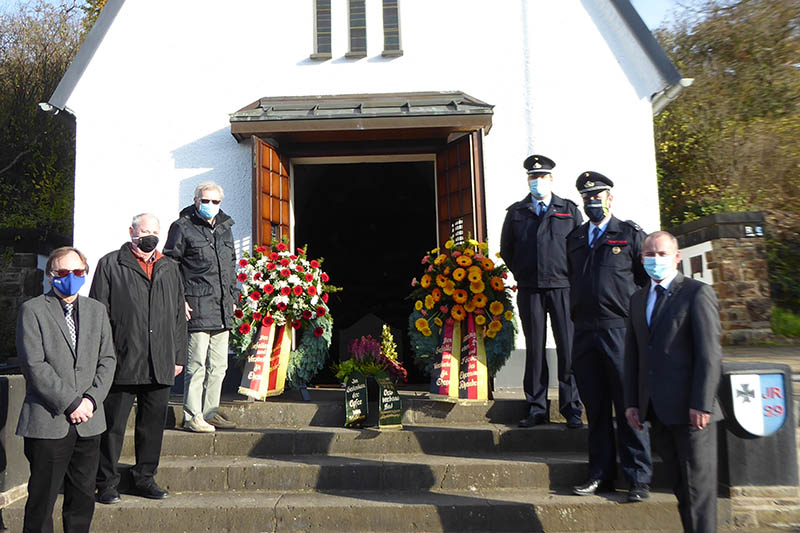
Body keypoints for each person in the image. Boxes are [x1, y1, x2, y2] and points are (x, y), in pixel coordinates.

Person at [625, 231, 722, 532]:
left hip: (692, 412)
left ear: (677, 257)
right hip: (656, 411)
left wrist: (701, 403)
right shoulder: (638, 299)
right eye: (649, 254)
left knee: (698, 491)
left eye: (662, 254)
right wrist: (632, 403)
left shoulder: (696, 293)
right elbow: (633, 356)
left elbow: (709, 353)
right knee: (680, 487)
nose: (655, 260)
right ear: (641, 258)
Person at [16, 247, 116, 533]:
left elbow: (107, 360)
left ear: (85, 273)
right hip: (49, 421)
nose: (69, 277)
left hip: (90, 422)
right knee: (42, 500)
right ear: (50, 275)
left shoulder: (97, 310)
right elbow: (34, 365)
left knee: (83, 497)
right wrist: (72, 402)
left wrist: (91, 400)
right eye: (62, 272)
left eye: (76, 272)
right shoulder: (32, 310)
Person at [566, 171, 652, 502]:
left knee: (629, 405)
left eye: (598, 196)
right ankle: (600, 475)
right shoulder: (574, 239)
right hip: (585, 332)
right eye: (587, 198)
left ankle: (638, 478)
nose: (592, 202)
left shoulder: (628, 234)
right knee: (596, 409)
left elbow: (645, 283)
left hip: (620, 331)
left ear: (610, 198)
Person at [90, 213, 186, 504]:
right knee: (112, 427)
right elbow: (98, 313)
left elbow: (179, 316)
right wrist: (104, 356)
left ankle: (145, 478)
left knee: (152, 426)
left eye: (155, 231)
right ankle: (106, 483)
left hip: (161, 360)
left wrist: (179, 355)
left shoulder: (169, 267)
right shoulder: (110, 264)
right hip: (122, 359)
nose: (151, 236)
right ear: (131, 231)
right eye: (145, 231)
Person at [500, 154, 583, 428]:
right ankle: (536, 407)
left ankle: (572, 407)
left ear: (551, 180)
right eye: (532, 177)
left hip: (562, 287)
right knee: (534, 349)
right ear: (528, 180)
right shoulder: (516, 213)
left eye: (541, 177)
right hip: (531, 289)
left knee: (568, 349)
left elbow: (579, 249)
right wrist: (524, 273)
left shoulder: (568, 210)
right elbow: (508, 250)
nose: (536, 182)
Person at [164, 181, 237, 432]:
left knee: (219, 365)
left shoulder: (226, 228)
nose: (210, 205)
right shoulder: (182, 227)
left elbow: (231, 264)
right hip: (196, 305)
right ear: (196, 200)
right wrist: (179, 298)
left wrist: (233, 295)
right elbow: (171, 265)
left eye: (215, 201)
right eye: (205, 200)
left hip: (222, 306)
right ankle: (192, 415)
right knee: (196, 364)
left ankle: (210, 412)